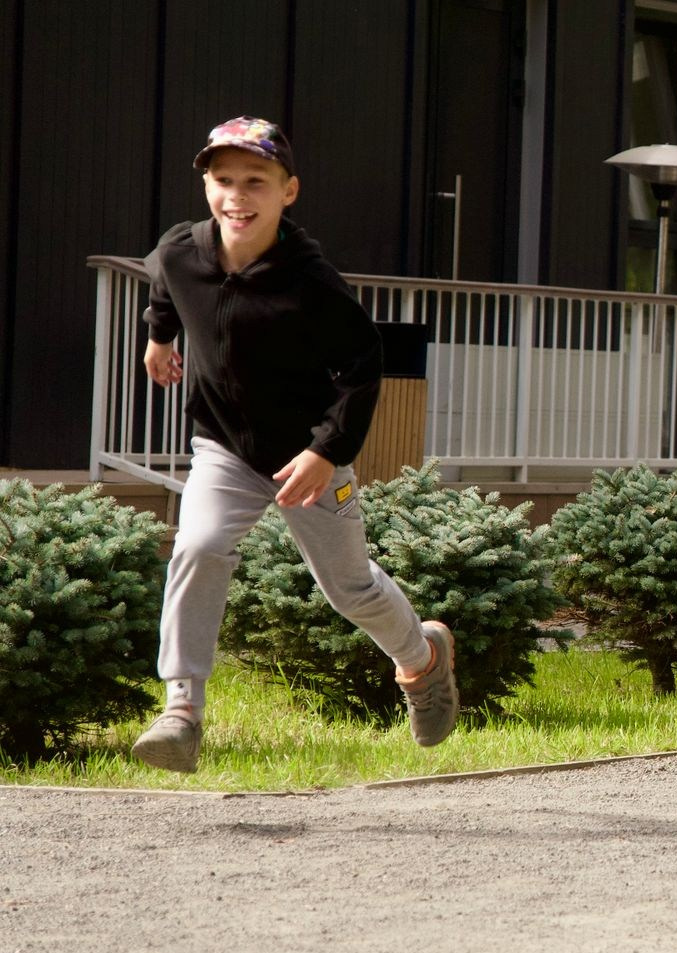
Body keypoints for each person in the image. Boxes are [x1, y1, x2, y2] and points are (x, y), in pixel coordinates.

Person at [129, 118, 457, 774]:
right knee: (197, 544)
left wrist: (327, 450)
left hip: (306, 455)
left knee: (350, 588)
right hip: (223, 447)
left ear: (289, 191)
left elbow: (363, 365)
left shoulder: (310, 282)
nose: (237, 195)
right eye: (223, 180)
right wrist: (159, 338)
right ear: (205, 184)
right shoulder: (180, 252)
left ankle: (422, 662)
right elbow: (165, 290)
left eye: (256, 181)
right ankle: (182, 711)